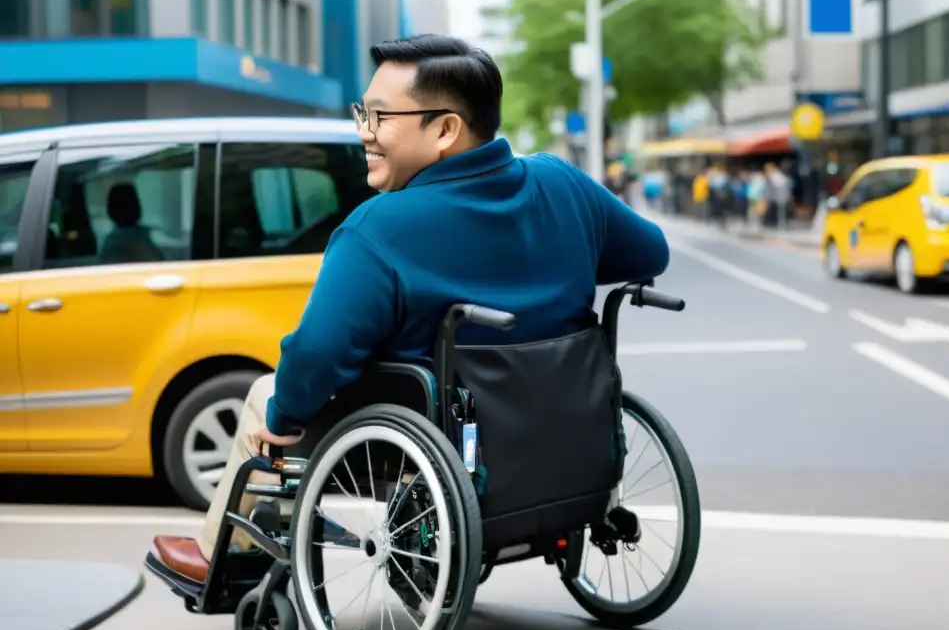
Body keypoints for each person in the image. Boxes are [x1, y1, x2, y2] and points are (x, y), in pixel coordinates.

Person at [151, 34, 671, 583]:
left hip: (443, 437)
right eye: (363, 113)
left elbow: (319, 352)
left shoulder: (380, 228)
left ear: (445, 128)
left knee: (267, 396)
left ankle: (226, 556)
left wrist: (285, 415)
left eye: (379, 117)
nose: (364, 133)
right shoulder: (561, 184)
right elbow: (649, 252)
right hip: (563, 430)